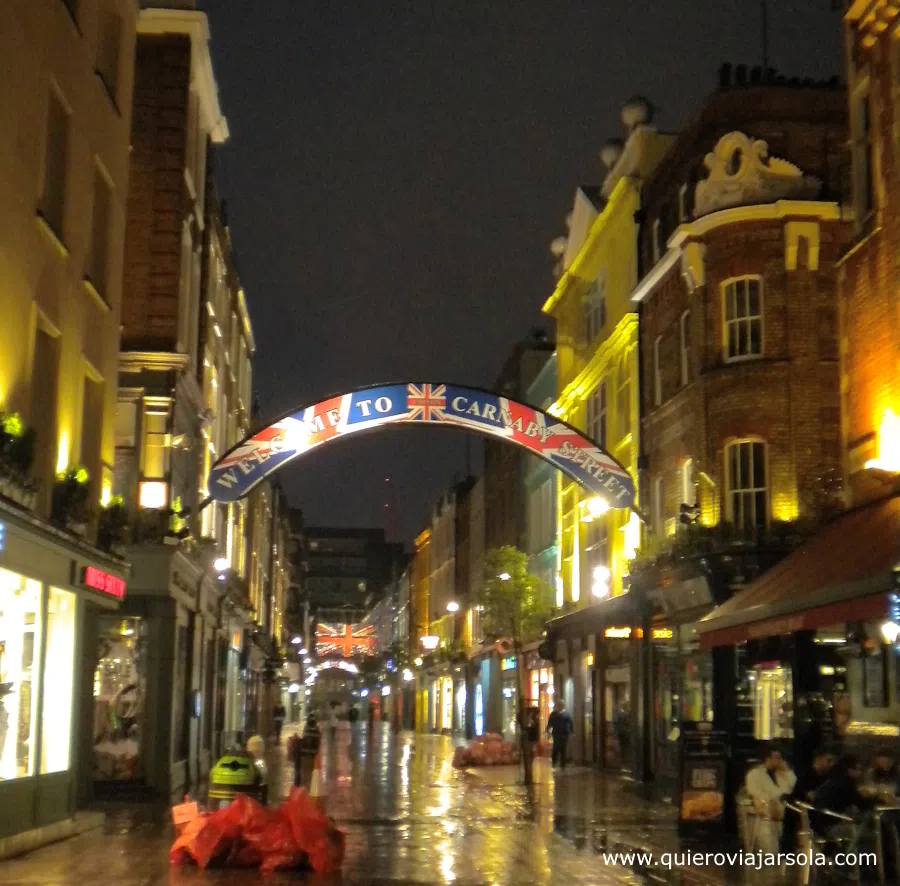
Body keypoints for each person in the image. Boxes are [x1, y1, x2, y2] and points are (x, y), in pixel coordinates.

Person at [780, 748, 835, 851]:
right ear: (818, 759)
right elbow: (805, 797)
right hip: (806, 816)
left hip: (809, 814)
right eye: (828, 761)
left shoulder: (824, 777)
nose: (830, 764)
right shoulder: (808, 777)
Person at [745, 743, 797, 852]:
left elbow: (794, 786)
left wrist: (786, 771)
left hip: (786, 804)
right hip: (767, 805)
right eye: (777, 758)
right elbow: (755, 792)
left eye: (780, 758)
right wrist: (769, 800)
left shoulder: (780, 773)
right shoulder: (754, 775)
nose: (780, 761)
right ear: (768, 759)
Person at [546, 702, 574, 769]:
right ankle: (554, 763)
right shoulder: (553, 714)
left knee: (563, 749)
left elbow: (571, 723)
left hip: (564, 734)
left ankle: (562, 765)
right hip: (556, 734)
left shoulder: (566, 714)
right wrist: (548, 732)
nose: (558, 707)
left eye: (560, 705)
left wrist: (572, 731)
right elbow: (550, 723)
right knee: (556, 748)